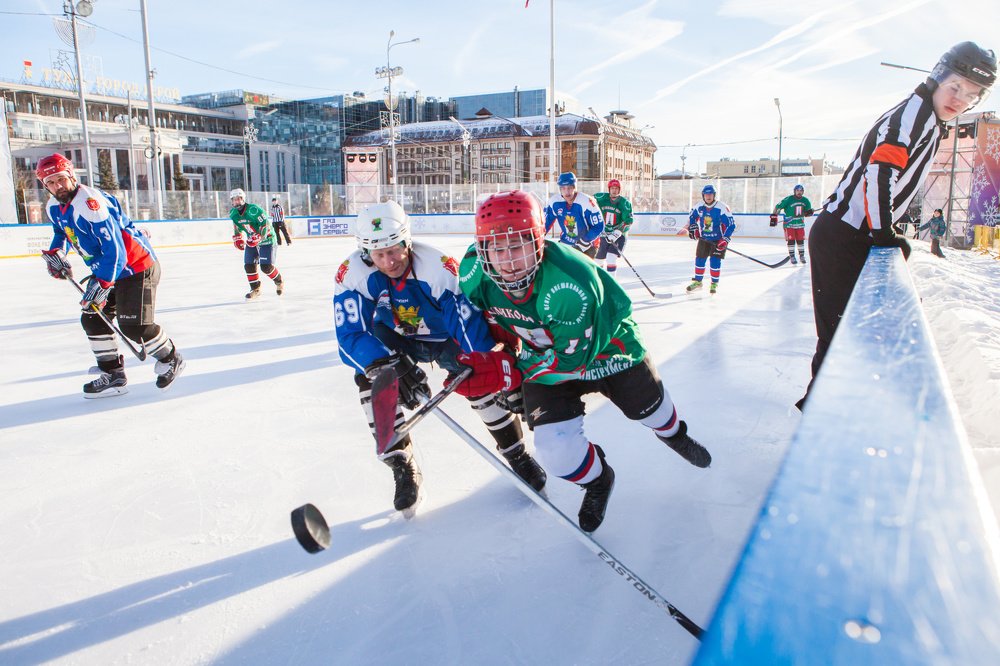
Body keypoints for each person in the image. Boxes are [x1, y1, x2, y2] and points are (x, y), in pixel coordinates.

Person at [457, 190, 711, 533]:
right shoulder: (473, 272)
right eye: (497, 249)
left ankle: (673, 434)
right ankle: (598, 480)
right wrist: (492, 354)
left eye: (516, 246)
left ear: (538, 241)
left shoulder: (568, 286)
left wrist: (511, 372)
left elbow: (571, 360)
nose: (507, 261)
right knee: (555, 451)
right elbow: (479, 321)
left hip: (608, 350)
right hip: (543, 358)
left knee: (654, 412)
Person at [798, 42, 996, 411]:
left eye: (972, 95)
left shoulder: (930, 120)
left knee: (881, 320)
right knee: (839, 335)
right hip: (843, 235)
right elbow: (880, 172)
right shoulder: (914, 115)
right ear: (938, 76)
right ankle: (821, 417)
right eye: (955, 87)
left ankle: (847, 407)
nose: (960, 100)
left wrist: (886, 234)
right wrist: (885, 234)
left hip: (857, 235)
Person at [333, 200, 546, 514]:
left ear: (407, 241)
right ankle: (402, 467)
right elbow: (350, 334)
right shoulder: (351, 274)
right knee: (370, 380)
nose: (388, 261)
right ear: (366, 252)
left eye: (394, 250)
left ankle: (517, 455)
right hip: (392, 336)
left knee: (480, 383)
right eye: (379, 254)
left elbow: (465, 322)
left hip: (444, 337)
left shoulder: (438, 266)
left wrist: (479, 363)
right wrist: (383, 364)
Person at [36, 153, 185, 398]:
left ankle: (171, 358)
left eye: (61, 179)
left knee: (133, 325)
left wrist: (103, 282)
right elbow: (61, 233)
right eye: (50, 183)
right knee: (92, 318)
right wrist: (57, 254)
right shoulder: (54, 206)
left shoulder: (90, 204)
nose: (57, 186)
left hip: (136, 266)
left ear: (71, 175)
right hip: (109, 269)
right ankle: (114, 374)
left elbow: (115, 250)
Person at [229, 188, 285, 299]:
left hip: (267, 240)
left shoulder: (254, 210)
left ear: (243, 199)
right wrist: (238, 237)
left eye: (238, 199)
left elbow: (266, 225)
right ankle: (255, 289)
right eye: (234, 200)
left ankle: (279, 281)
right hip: (252, 241)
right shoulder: (233, 213)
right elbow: (237, 226)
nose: (236, 202)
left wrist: (259, 236)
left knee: (266, 267)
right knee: (249, 265)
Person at [686, 185, 736, 295]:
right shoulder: (699, 206)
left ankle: (714, 283)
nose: (708, 196)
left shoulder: (722, 207)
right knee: (699, 260)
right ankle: (698, 282)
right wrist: (693, 228)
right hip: (704, 239)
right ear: (703, 195)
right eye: (706, 194)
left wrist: (725, 239)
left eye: (710, 194)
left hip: (718, 240)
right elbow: (692, 217)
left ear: (714, 195)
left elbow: (731, 225)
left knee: (715, 262)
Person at [544, 171, 604, 259]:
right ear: (560, 189)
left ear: (574, 187)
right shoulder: (554, 202)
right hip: (567, 242)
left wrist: (584, 242)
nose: (567, 192)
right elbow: (545, 223)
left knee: (581, 272)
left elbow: (599, 226)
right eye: (563, 188)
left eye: (569, 187)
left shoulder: (587, 201)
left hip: (588, 245)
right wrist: (537, 238)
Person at [594, 178, 634, 277]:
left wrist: (617, 232)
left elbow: (628, 221)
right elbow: (589, 202)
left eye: (616, 188)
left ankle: (612, 283)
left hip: (619, 236)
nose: (614, 190)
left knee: (610, 257)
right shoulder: (601, 198)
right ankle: (601, 282)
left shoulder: (624, 203)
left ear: (619, 190)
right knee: (598, 261)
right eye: (612, 188)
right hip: (604, 234)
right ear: (609, 189)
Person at [771, 184, 814, 265]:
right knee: (791, 240)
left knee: (800, 240)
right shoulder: (789, 199)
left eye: (801, 191)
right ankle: (792, 256)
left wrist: (810, 213)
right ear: (794, 191)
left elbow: (806, 214)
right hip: (789, 224)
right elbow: (778, 207)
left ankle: (802, 256)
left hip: (800, 224)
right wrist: (774, 216)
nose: (799, 192)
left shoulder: (806, 201)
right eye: (797, 190)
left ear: (803, 192)